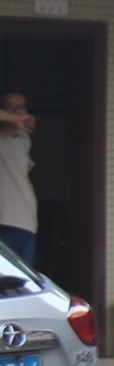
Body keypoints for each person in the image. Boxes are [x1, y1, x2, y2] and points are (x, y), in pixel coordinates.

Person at [0, 87, 38, 269]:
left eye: (21, 108)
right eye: (10, 108)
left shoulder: (24, 139)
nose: (18, 112)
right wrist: (15, 118)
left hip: (28, 224)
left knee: (25, 289)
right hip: (4, 222)